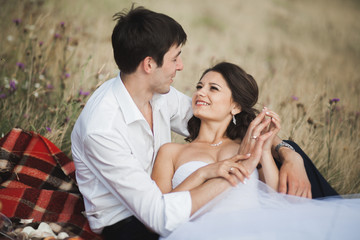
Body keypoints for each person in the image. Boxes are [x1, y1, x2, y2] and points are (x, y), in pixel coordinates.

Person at [70, 5, 335, 240]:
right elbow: (158, 217)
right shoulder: (102, 130)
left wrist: (288, 153)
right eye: (175, 58)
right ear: (149, 64)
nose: (182, 66)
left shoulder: (158, 95)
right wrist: (227, 170)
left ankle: (327, 218)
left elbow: (228, 119)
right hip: (129, 220)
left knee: (293, 165)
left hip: (165, 199)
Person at [151, 62, 360, 240]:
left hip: (255, 229)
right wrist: (203, 173)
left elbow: (277, 198)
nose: (200, 92)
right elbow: (160, 210)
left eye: (213, 88)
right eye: (199, 86)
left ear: (235, 107)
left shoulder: (246, 147)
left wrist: (266, 147)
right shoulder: (171, 152)